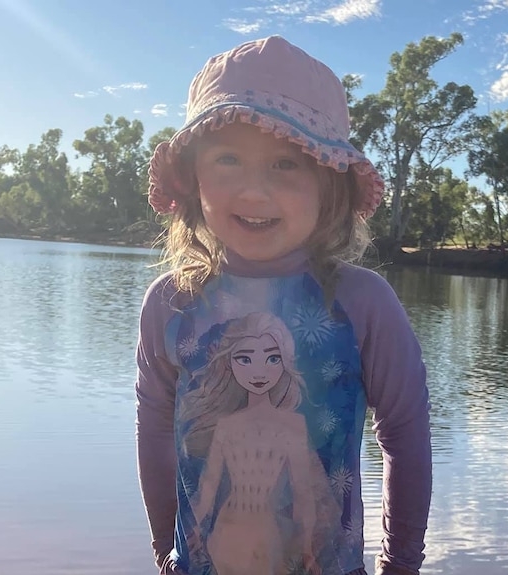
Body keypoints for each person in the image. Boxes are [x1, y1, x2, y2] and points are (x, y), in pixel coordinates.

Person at [135, 36, 431, 575]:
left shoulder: (361, 302)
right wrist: (165, 552)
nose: (254, 192)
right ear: (194, 176)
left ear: (329, 185)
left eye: (286, 164)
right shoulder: (173, 303)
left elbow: (405, 435)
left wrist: (401, 563)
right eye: (228, 159)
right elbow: (154, 430)